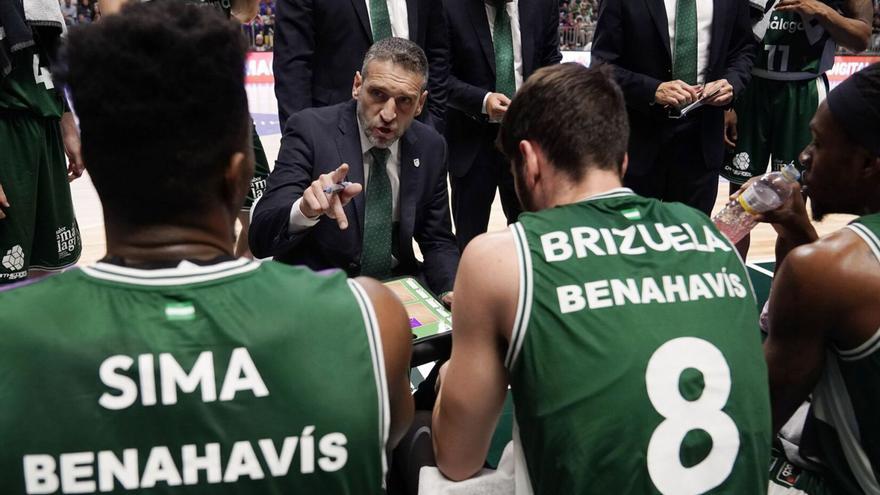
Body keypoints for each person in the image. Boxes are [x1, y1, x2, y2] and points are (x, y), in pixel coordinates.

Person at [0, 2, 414, 493]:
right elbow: (392, 437)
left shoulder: (11, 338)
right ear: (241, 175)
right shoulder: (372, 318)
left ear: (92, 167)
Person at [431, 63, 771, 493]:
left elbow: (458, 460)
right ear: (622, 161)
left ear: (529, 162)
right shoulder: (710, 235)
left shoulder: (497, 259)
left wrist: (449, 381)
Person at [250, 38, 459, 302]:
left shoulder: (431, 147)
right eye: (378, 94)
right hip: (319, 293)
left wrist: (450, 289)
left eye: (404, 100)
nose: (388, 114)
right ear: (357, 86)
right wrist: (304, 210)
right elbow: (260, 238)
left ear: (420, 104)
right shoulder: (309, 131)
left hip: (396, 291)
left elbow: (437, 240)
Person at [761, 63, 880, 494]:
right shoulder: (831, 268)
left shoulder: (825, 271)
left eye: (818, 142)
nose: (805, 157)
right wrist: (798, 233)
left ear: (867, 163)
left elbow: (756, 420)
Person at [99, 0, 272, 259]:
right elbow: (112, 25)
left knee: (259, 219)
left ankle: (225, 288)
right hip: (164, 110)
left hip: (225, 105)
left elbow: (245, 12)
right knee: (166, 226)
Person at [720, 0, 872, 257]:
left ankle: (784, 294)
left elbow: (861, 38)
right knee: (740, 207)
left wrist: (822, 11)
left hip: (803, 92)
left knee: (791, 205)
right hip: (751, 90)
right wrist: (729, 99)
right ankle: (733, 285)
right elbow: (728, 35)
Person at [591, 0, 757, 215]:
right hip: (640, 137)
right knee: (633, 235)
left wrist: (732, 82)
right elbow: (601, 65)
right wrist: (652, 90)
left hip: (702, 138)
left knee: (691, 237)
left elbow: (743, 49)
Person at [443, 0, 562, 251]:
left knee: (529, 238)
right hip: (471, 141)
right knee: (470, 241)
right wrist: (483, 100)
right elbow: (440, 77)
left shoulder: (543, 5)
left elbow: (551, 61)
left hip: (525, 140)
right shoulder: (449, 6)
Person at [0, 0, 83, 284]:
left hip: (44, 126)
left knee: (49, 262)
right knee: (8, 271)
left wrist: (67, 123)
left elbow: (51, 57)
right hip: (7, 134)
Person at [273, 0, 449, 132]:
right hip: (333, 131)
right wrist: (303, 138)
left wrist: (434, 121)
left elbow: (437, 52)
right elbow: (292, 67)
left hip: (413, 129)